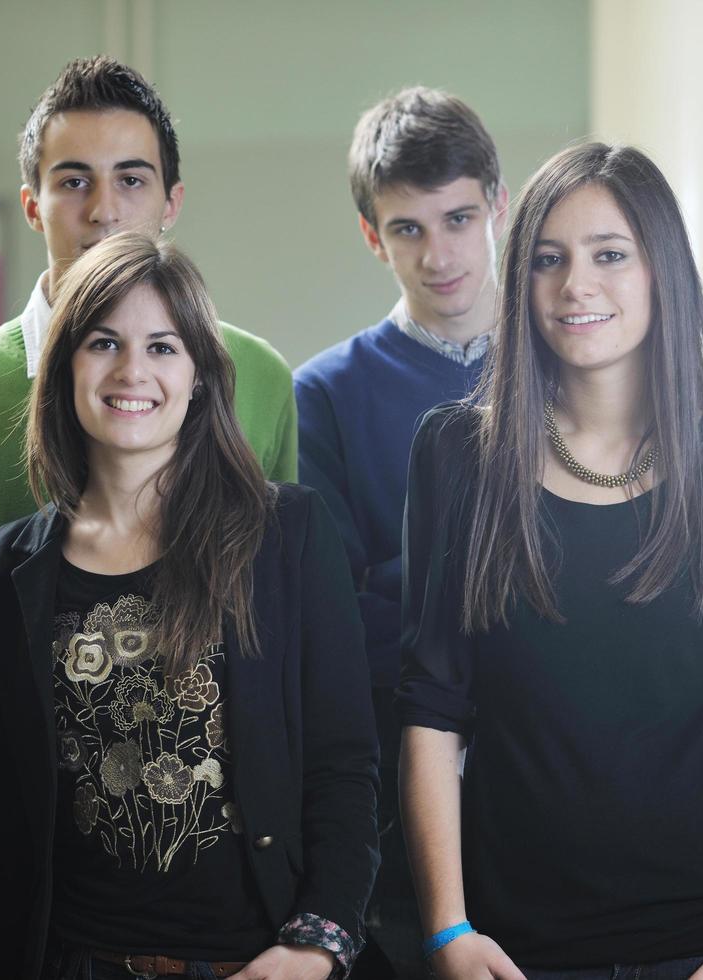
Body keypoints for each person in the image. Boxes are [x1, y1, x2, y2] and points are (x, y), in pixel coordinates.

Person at [397, 142, 703, 980]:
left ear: (660, 273)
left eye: (610, 255)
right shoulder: (458, 455)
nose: (577, 285)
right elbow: (432, 710)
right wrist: (446, 930)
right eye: (548, 259)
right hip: (511, 944)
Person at [0, 232, 377, 980]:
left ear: (200, 378)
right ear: (63, 369)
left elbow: (344, 765)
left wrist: (317, 944)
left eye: (162, 347)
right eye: (102, 342)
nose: (131, 371)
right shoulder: (5, 569)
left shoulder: (285, 536)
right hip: (74, 960)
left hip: (253, 962)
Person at [0, 56, 297, 660]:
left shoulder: (258, 376)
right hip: (14, 746)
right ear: (32, 205)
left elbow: (285, 604)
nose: (104, 210)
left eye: (131, 180)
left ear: (171, 201)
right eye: (74, 182)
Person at [293, 85, 505, 978]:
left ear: (498, 205)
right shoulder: (327, 395)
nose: (439, 253)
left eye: (458, 218)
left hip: (577, 782)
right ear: (371, 236)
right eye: (408, 228)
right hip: (405, 786)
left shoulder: (576, 363)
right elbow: (339, 618)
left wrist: (409, 579)